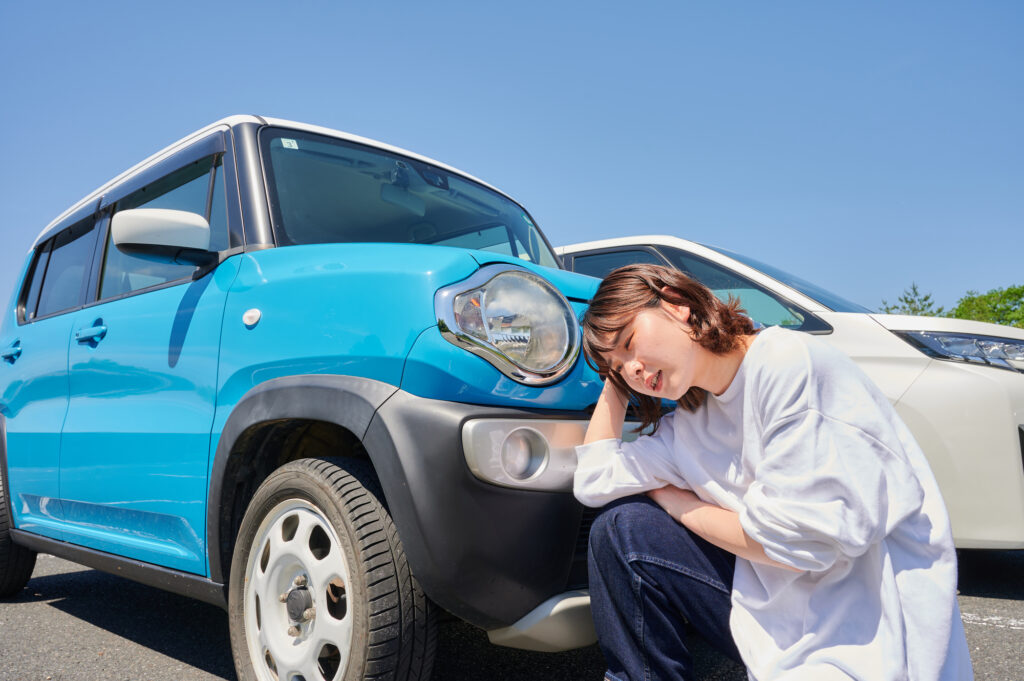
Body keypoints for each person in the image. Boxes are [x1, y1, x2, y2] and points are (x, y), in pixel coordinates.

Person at [573, 264, 972, 681]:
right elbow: (595, 480)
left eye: (630, 342)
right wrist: (614, 381)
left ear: (677, 305)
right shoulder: (692, 421)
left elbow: (801, 547)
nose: (632, 369)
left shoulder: (786, 365)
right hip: (779, 614)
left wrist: (678, 503)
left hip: (868, 625)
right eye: (616, 366)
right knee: (620, 529)